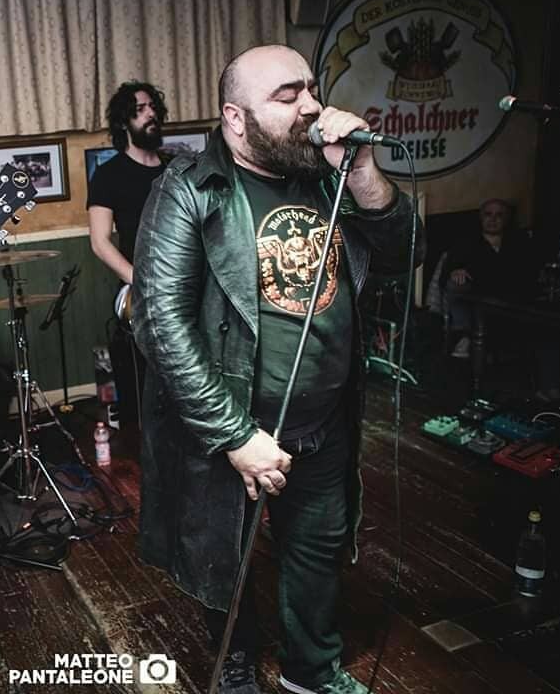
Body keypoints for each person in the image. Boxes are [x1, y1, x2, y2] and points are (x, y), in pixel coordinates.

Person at [131, 44, 421, 694]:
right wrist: (235, 435)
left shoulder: (329, 176)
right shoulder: (189, 188)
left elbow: (406, 254)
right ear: (236, 118)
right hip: (231, 427)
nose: (311, 107)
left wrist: (363, 173)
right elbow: (160, 322)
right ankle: (234, 662)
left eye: (311, 90)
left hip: (323, 419)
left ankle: (310, 672)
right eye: (287, 97)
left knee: (317, 553)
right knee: (223, 559)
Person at [87, 81, 168, 428]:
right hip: (142, 291)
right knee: (147, 388)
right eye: (140, 110)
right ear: (124, 122)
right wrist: (141, 282)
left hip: (186, 281)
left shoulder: (176, 167)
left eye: (153, 107)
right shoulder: (109, 175)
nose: (150, 114)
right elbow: (100, 242)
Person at [440, 198, 536, 357]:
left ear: (506, 219)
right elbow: (448, 272)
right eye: (488, 214)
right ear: (481, 217)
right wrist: (457, 271)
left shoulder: (518, 241)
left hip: (511, 299)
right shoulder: (467, 242)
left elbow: (528, 273)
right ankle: (463, 336)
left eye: (499, 215)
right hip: (477, 297)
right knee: (456, 284)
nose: (493, 219)